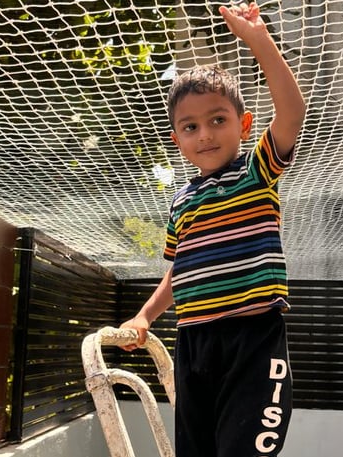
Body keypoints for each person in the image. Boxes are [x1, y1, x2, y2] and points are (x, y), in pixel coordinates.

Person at [118, 2, 306, 456]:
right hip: (194, 343)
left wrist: (258, 41)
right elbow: (179, 270)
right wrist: (144, 316)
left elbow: (293, 111)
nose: (205, 134)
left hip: (253, 339)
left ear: (243, 125)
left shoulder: (256, 172)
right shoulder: (181, 201)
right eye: (191, 126)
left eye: (217, 120)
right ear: (176, 139)